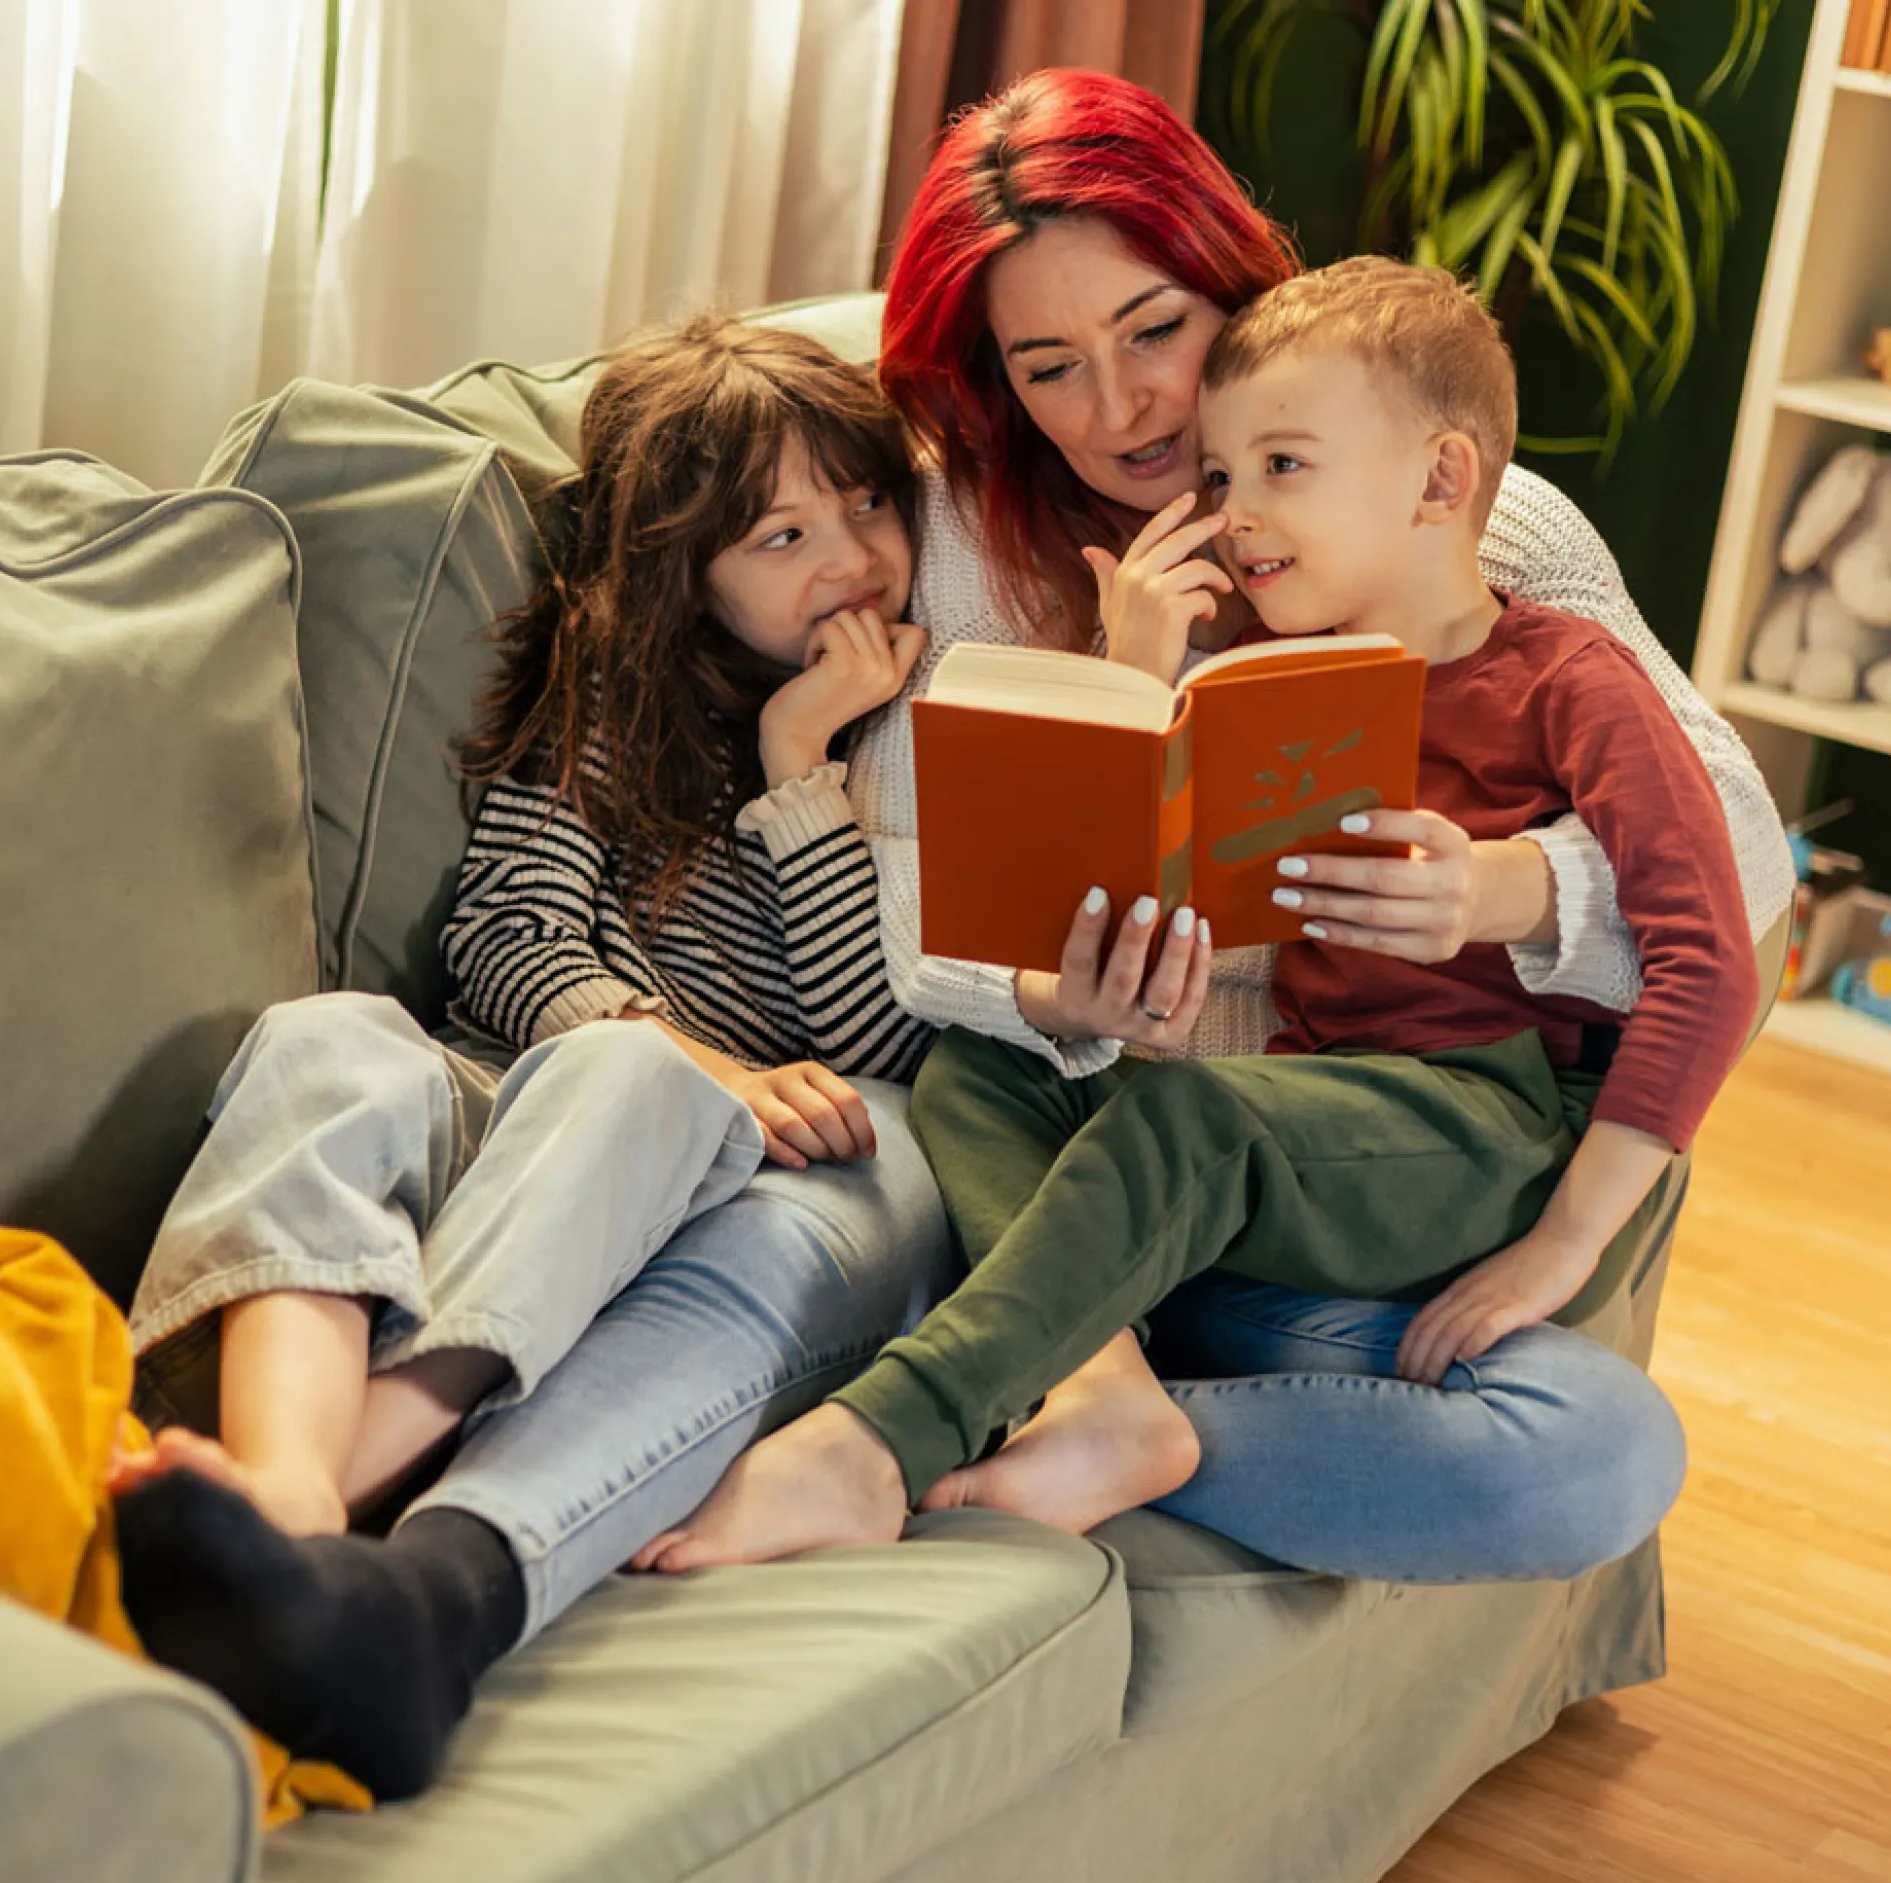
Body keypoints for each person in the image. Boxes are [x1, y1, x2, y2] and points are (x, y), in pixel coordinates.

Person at [639, 69, 1788, 1581]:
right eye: (1048, 367)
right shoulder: (963, 554)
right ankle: (1102, 1391)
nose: (1119, 412)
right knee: (987, 1073)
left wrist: (1506, 889)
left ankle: (971, 1409)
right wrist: (1063, 985)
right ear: (997, 387)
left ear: (1229, 285)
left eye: (1155, 333)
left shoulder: (1480, 536)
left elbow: (1747, 870)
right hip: (1148, 1164)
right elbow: (934, 956)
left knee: (1585, 1453)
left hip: (1353, 1145)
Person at [108, 317, 955, 1799]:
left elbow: (879, 1038)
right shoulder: (611, 697)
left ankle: (358, 1468)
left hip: (691, 1170)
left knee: (642, 1082)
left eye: (868, 502)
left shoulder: (904, 730)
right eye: (782, 531)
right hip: (522, 1093)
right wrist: (678, 1039)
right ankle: (296, 1491)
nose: (854, 557)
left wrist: (802, 773)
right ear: (684, 567)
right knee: (327, 1039)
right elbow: (505, 933)